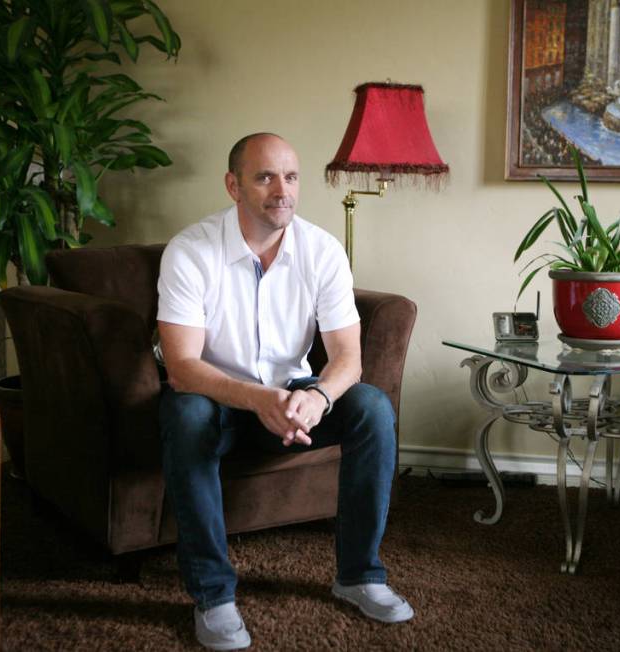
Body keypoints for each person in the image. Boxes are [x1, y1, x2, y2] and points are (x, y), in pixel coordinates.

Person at [156, 133, 413, 650]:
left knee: (371, 407)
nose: (282, 190)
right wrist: (257, 400)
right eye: (265, 176)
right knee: (184, 415)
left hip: (294, 396)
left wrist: (315, 399)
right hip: (218, 401)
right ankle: (212, 595)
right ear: (233, 185)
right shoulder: (189, 251)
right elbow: (182, 368)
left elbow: (348, 359)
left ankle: (360, 575)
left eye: (291, 176)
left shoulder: (322, 250)